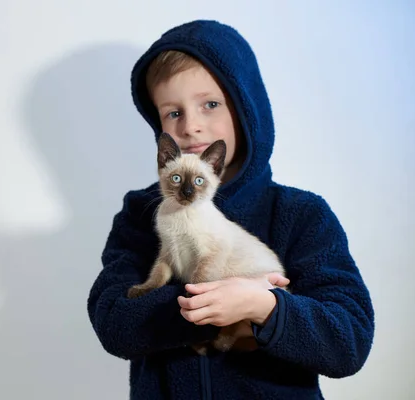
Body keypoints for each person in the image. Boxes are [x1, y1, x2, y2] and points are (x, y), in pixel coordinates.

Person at [86, 19, 374, 399]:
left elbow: (347, 341)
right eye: (173, 112)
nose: (191, 127)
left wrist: (265, 308)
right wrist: (217, 309)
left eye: (210, 104)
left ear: (246, 107)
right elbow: (113, 321)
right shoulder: (140, 213)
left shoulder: (300, 214)